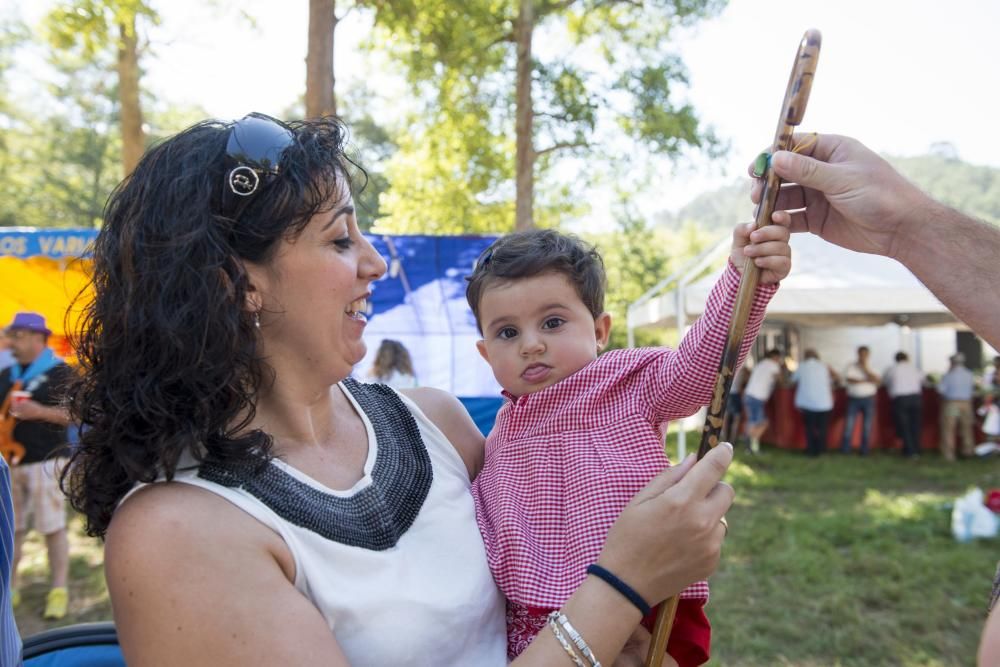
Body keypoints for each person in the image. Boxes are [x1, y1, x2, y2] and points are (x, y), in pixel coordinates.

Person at [66, 113, 735, 666]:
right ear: (237, 285)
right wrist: (618, 586)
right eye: (338, 239)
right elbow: (592, 606)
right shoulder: (177, 532)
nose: (374, 263)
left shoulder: (436, 423)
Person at [466, 225, 790, 665]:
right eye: (507, 333)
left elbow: (701, 365)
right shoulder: (501, 430)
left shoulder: (625, 382)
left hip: (648, 602)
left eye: (553, 322)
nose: (532, 344)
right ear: (486, 354)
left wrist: (742, 277)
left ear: (600, 331)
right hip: (534, 617)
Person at [743, 131, 1000, 666]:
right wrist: (906, 225)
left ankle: (828, 451)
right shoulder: (824, 365)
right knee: (864, 427)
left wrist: (907, 224)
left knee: (855, 428)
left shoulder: (832, 366)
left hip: (851, 401)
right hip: (853, 400)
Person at [0, 312, 74, 620]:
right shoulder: (7, 375)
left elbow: (79, 415)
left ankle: (59, 590)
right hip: (11, 463)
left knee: (52, 527)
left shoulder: (61, 372)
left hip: (48, 461)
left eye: (16, 336)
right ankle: (10, 589)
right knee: (11, 530)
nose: (11, 342)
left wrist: (38, 411)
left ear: (36, 338)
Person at [791, 349, 837, 457]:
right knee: (823, 429)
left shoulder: (802, 366)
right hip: (824, 403)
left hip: (807, 403)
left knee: (810, 429)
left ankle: (811, 450)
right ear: (817, 356)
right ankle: (822, 450)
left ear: (805, 356)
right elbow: (832, 380)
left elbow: (792, 381)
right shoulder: (824, 366)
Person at [882, 351, 924, 458]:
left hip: (900, 399)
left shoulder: (892, 369)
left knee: (904, 426)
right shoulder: (914, 368)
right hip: (915, 398)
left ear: (896, 359)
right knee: (915, 425)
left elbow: (885, 381)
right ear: (907, 358)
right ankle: (916, 449)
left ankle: (909, 451)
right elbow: (924, 381)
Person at [742, 349, 785, 454]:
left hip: (749, 395)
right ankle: (751, 447)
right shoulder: (774, 365)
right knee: (761, 423)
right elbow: (781, 380)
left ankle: (750, 446)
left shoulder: (760, 364)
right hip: (757, 397)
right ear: (775, 357)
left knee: (752, 421)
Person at [840, 346, 879, 455]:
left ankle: (864, 450)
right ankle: (845, 450)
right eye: (861, 354)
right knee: (849, 425)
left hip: (869, 399)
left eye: (865, 354)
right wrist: (867, 379)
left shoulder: (873, 366)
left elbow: (877, 380)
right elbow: (849, 379)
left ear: (868, 355)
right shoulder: (851, 366)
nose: (863, 356)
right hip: (853, 398)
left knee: (867, 426)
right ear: (857, 354)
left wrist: (865, 369)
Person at [938, 352, 976, 461]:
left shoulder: (949, 375)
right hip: (966, 403)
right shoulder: (969, 374)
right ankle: (968, 451)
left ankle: (949, 454)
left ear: (952, 362)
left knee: (949, 428)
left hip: (952, 403)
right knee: (966, 428)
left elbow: (941, 389)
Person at [721, 363, 751, 446]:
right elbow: (747, 377)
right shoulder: (742, 366)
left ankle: (724, 439)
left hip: (726, 393)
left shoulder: (728, 363)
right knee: (736, 419)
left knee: (726, 418)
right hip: (735, 394)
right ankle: (732, 441)